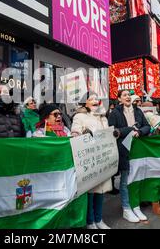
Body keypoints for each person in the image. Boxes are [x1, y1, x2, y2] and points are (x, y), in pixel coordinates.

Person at [108, 90, 151, 223]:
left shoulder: (138, 111)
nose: (127, 97)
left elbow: (147, 127)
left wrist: (139, 131)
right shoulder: (115, 113)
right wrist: (130, 129)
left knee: (137, 177)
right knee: (125, 180)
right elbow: (112, 131)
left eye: (129, 95)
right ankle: (126, 208)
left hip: (138, 150)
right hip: (123, 150)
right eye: (124, 95)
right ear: (119, 99)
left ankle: (135, 205)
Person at [71, 93, 111, 229]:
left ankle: (99, 219)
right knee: (90, 191)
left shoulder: (103, 117)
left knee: (101, 190)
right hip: (89, 158)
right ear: (85, 103)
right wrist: (83, 133)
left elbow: (108, 135)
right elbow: (74, 133)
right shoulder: (79, 116)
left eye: (96, 99)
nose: (95, 101)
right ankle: (90, 221)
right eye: (91, 99)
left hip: (102, 157)